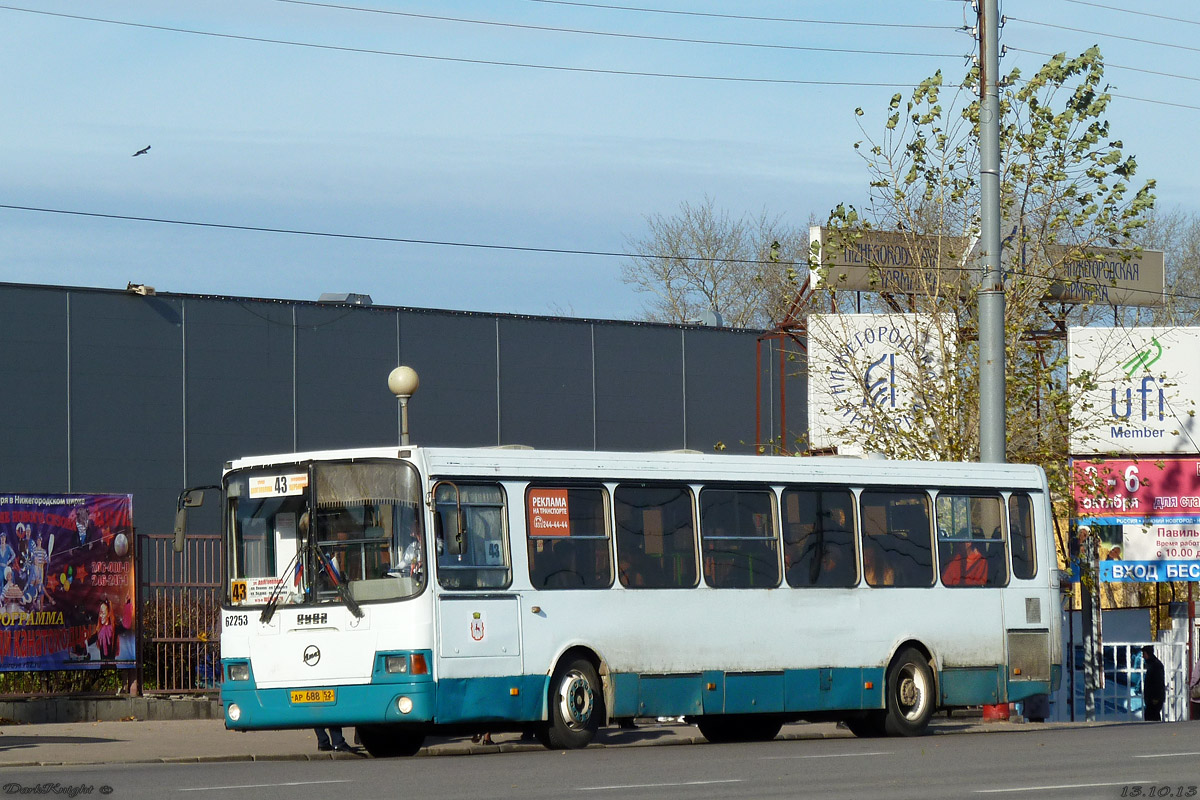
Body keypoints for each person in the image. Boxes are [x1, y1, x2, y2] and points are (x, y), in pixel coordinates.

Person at [1142, 645, 1166, 722]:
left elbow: (1158, 682)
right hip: (1151, 698)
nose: (1143, 656)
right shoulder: (1152, 664)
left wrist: (1156, 698)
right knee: (1151, 716)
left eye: (1144, 654)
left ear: (1148, 653)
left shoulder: (1155, 665)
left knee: (1152, 716)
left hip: (1155, 698)